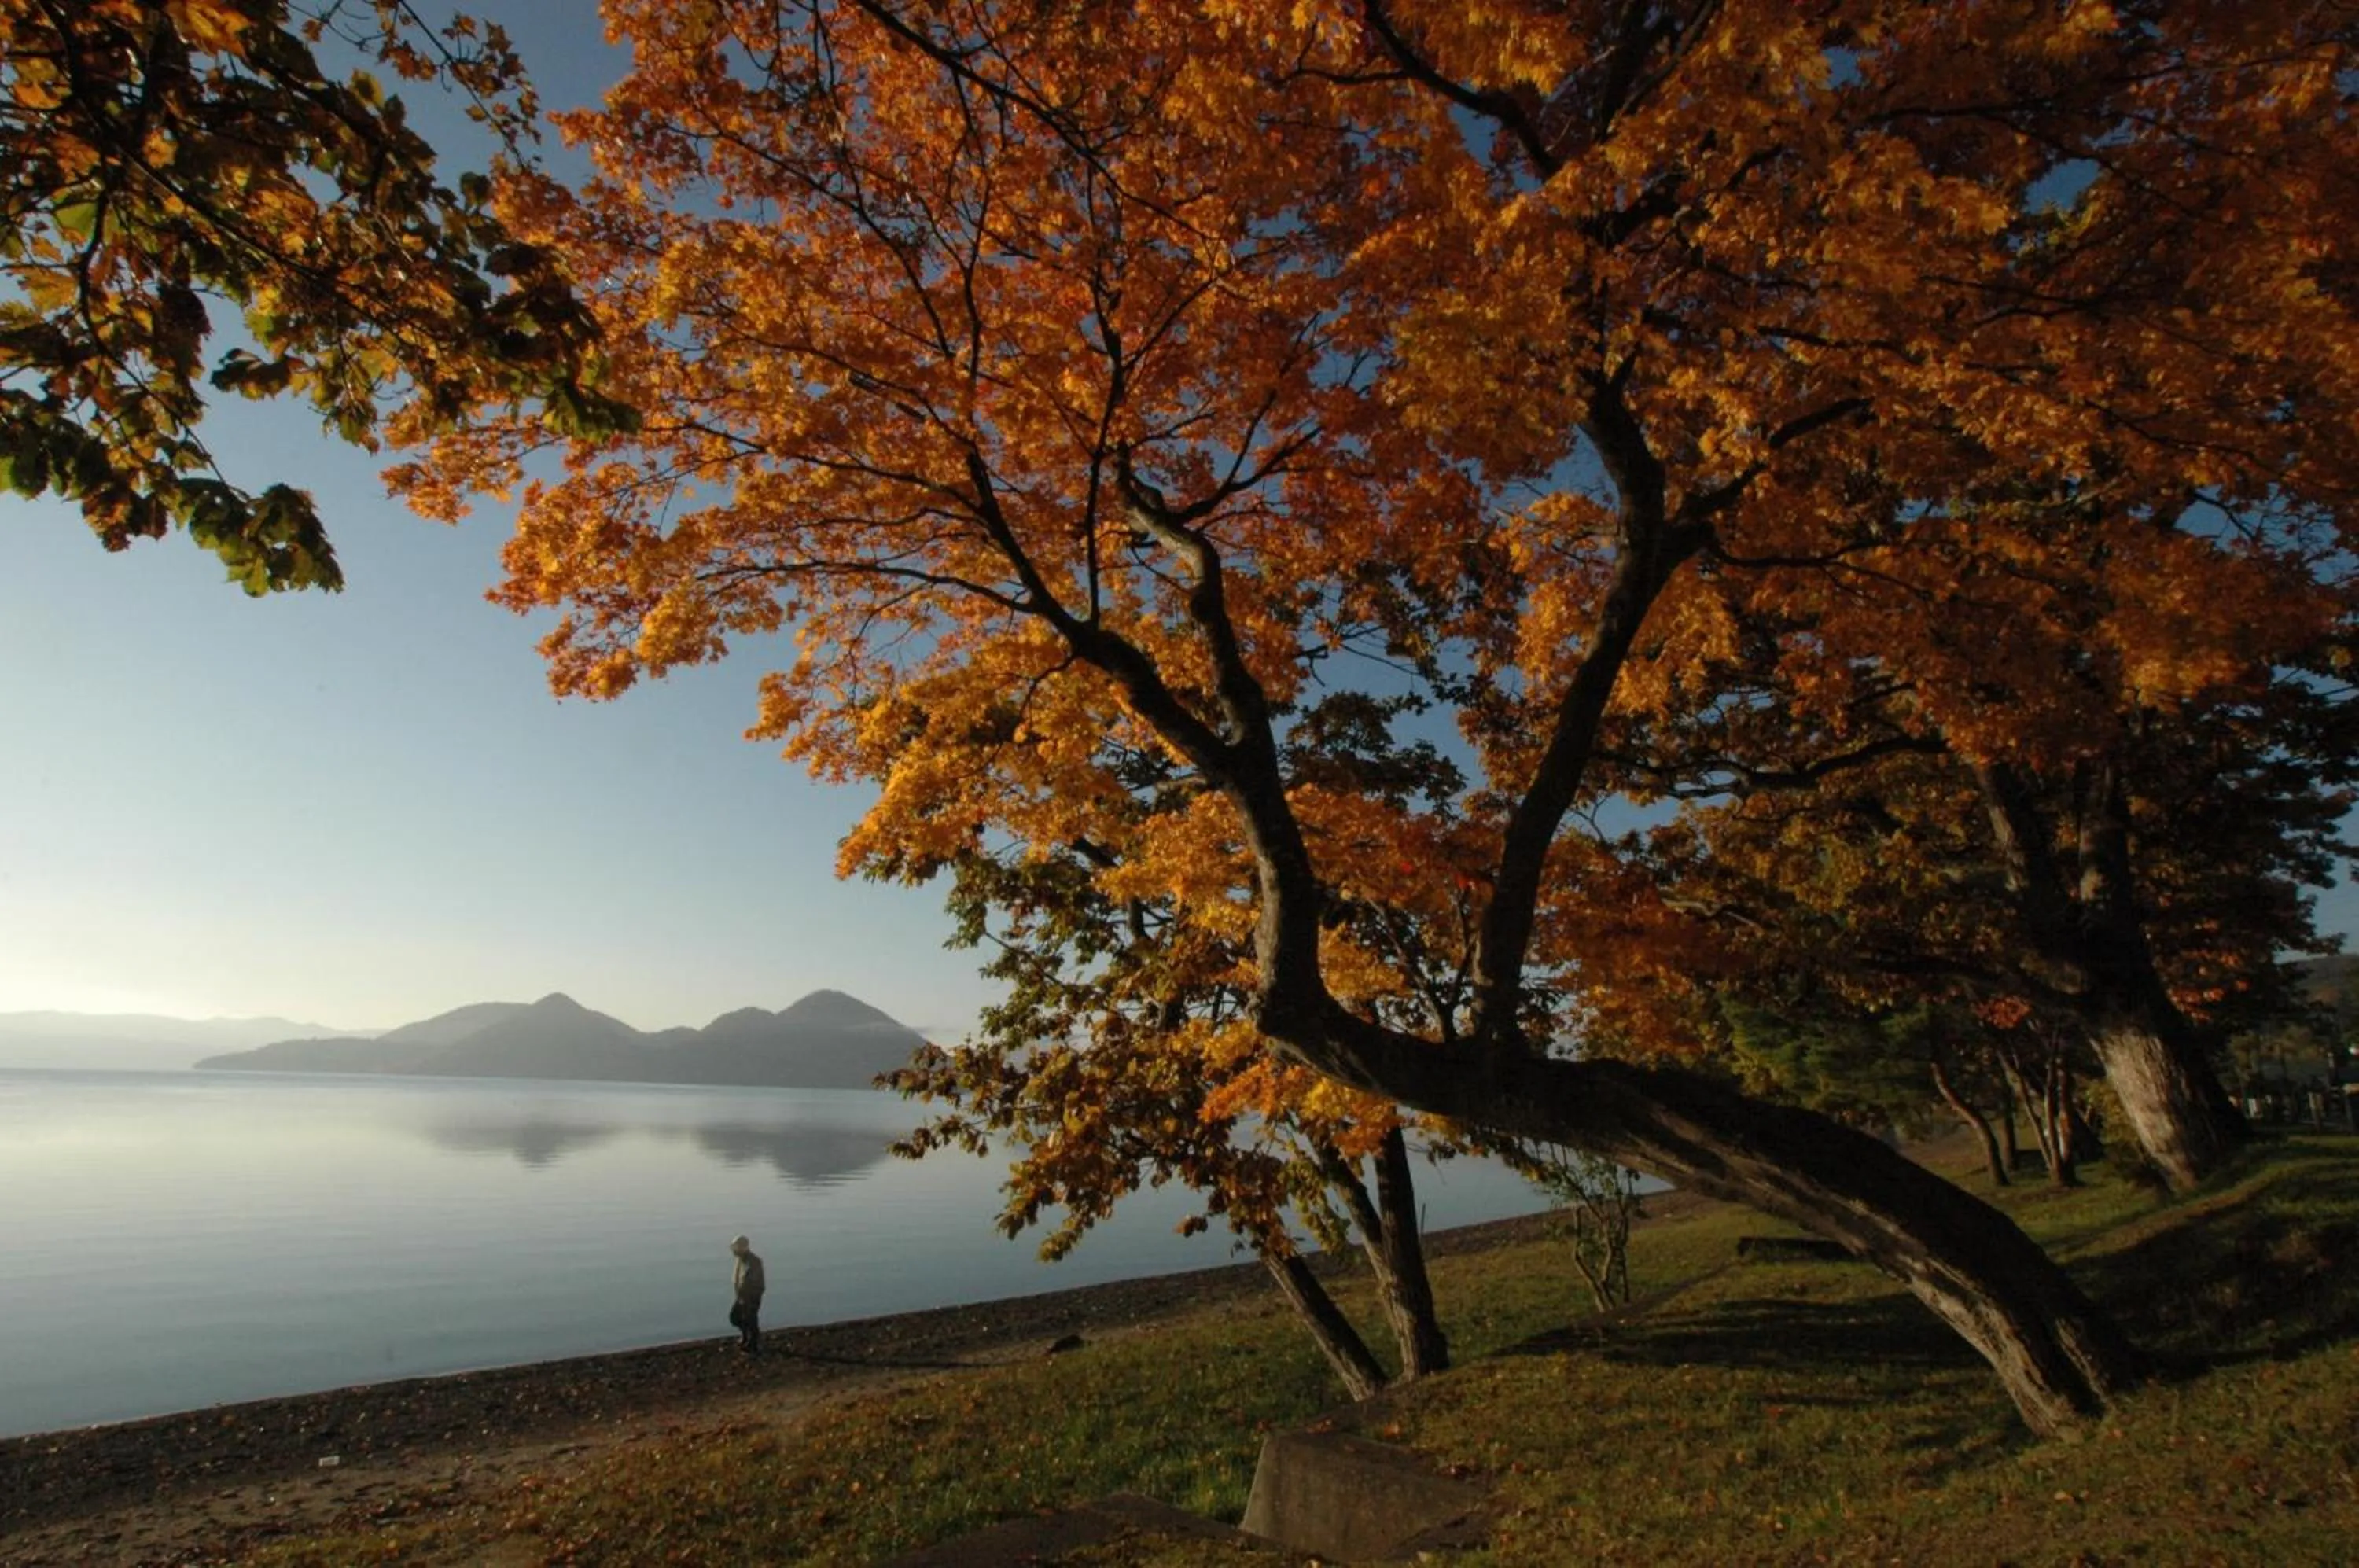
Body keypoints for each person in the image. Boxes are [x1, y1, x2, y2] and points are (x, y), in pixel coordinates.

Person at [727, 1235, 766, 1355]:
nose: (733, 1250)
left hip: (751, 1297)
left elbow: (750, 1281)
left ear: (742, 1248)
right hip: (742, 1296)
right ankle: (746, 1336)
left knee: (751, 1319)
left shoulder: (754, 1262)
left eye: (736, 1248)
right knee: (735, 1318)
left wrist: (747, 1298)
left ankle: (753, 1344)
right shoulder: (741, 1260)